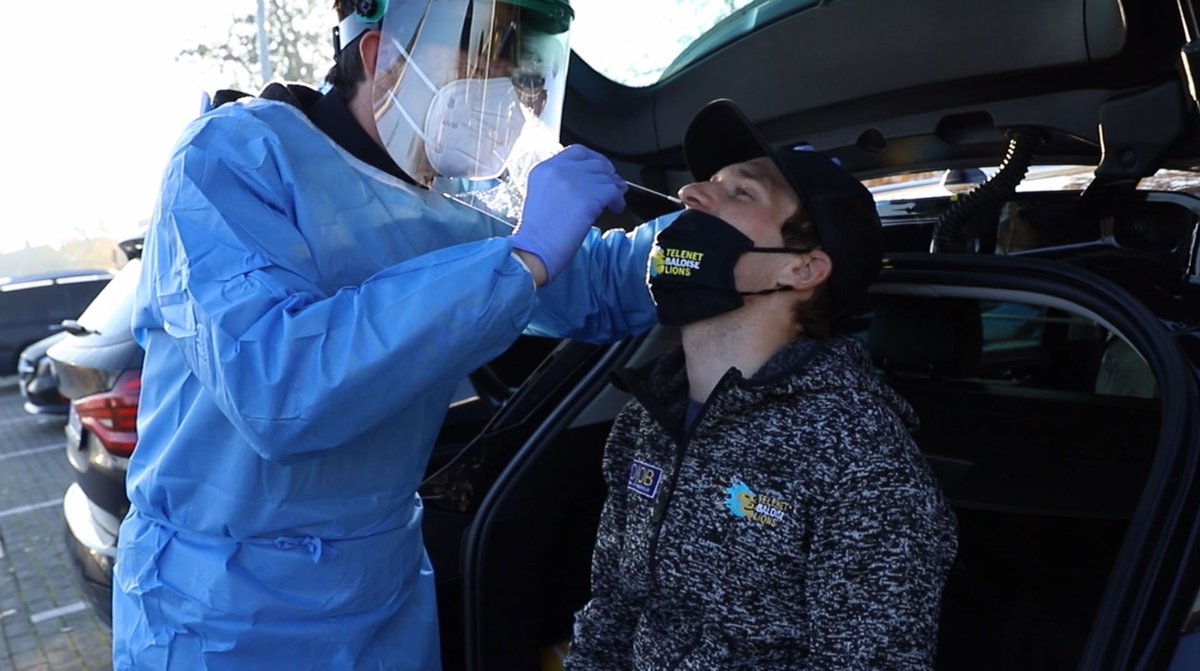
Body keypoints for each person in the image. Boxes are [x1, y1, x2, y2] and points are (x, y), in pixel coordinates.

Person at [113, 1, 674, 669]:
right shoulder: (232, 157)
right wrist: (520, 259)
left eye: (513, 68)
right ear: (382, 57)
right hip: (221, 616)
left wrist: (710, 237)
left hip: (382, 596)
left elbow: (601, 286)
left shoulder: (455, 203)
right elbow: (281, 388)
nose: (504, 92)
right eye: (477, 59)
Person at [563, 99, 959, 670]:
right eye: (706, 183)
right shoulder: (648, 416)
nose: (691, 195)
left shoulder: (859, 456)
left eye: (740, 192)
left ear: (801, 269)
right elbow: (614, 613)